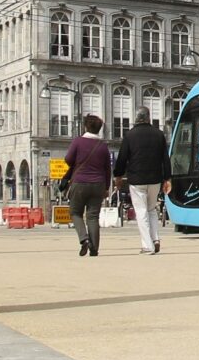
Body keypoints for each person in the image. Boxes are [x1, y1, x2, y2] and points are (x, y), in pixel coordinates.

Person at [113, 107, 170, 255]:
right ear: (149, 117)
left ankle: (147, 245)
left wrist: (118, 176)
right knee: (151, 209)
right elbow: (165, 158)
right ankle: (155, 238)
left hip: (137, 179)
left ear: (136, 118)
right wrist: (167, 178)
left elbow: (122, 158)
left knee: (141, 211)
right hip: (155, 179)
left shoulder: (130, 135)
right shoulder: (159, 134)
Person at [62, 115, 112, 256]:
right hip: (98, 184)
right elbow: (107, 169)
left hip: (80, 182)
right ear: (99, 129)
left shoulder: (78, 141)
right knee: (93, 216)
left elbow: (68, 159)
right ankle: (94, 249)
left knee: (75, 212)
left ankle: (84, 239)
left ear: (85, 126)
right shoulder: (103, 146)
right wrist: (106, 188)